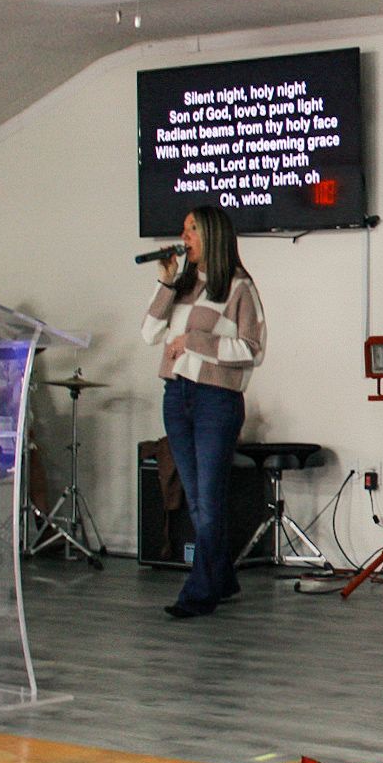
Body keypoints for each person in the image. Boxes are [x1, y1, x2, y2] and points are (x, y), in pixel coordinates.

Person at [141, 207, 266, 618]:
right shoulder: (182, 287)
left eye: (191, 229)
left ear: (211, 234)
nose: (184, 236)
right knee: (196, 499)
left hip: (216, 399)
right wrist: (164, 281)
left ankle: (198, 593)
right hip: (176, 397)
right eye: (184, 229)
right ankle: (222, 578)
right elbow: (149, 333)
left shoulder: (238, 287)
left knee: (208, 500)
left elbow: (251, 349)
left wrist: (193, 340)